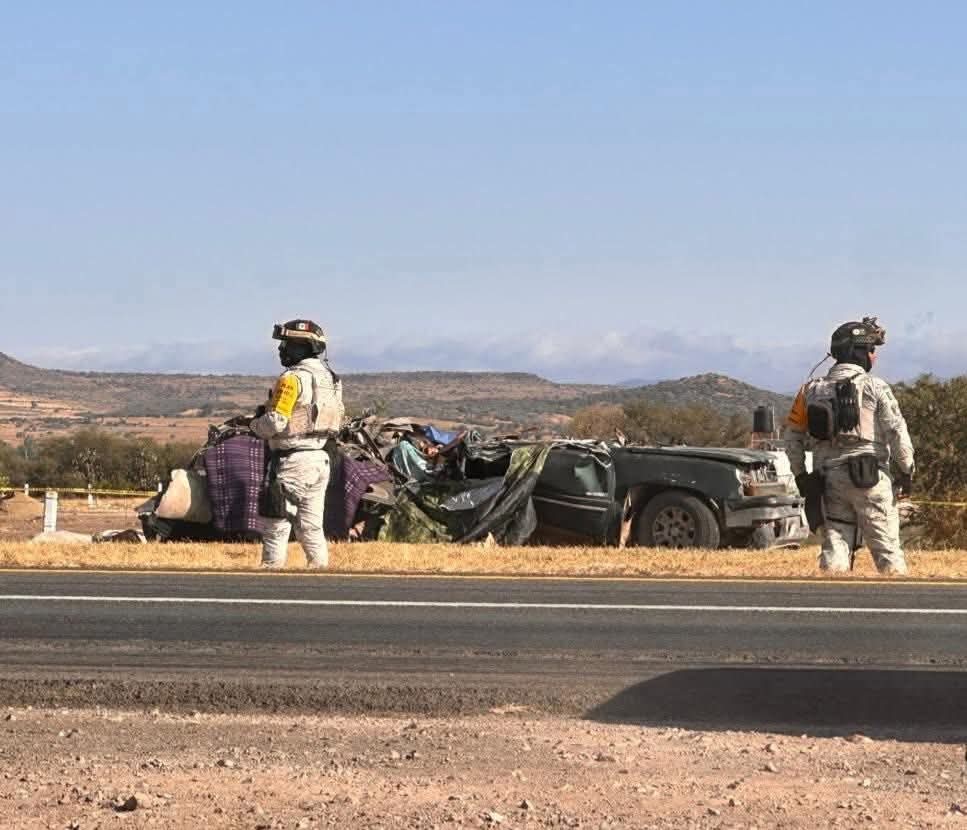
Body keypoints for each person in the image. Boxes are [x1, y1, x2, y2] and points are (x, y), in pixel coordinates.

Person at [785, 317, 915, 574]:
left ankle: (833, 609)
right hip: (870, 478)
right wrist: (907, 470)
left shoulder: (809, 390)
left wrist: (801, 475)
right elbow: (897, 431)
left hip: (828, 481)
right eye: (871, 350)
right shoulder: (876, 386)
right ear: (859, 353)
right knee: (888, 551)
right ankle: (898, 607)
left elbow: (793, 437)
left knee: (835, 546)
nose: (874, 357)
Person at [251, 320, 344, 569]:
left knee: (276, 520)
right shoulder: (331, 379)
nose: (281, 349)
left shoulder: (292, 379)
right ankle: (319, 572)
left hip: (293, 459)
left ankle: (271, 572)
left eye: (287, 344)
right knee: (311, 525)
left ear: (303, 347)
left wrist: (254, 426)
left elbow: (276, 421)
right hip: (319, 458)